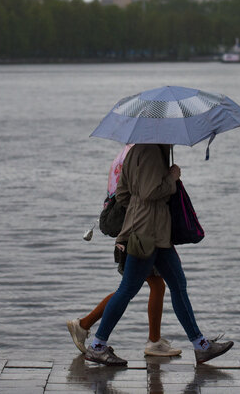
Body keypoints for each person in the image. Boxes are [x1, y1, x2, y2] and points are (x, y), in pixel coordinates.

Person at [84, 143, 233, 366]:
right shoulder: (152, 151)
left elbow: (123, 194)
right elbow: (150, 191)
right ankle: (97, 346)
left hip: (155, 231)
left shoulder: (134, 151)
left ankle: (201, 345)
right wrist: (171, 177)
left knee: (178, 284)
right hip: (147, 233)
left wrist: (139, 207)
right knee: (127, 290)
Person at [67, 144, 181, 358]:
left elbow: (123, 194)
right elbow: (144, 193)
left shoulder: (129, 154)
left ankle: (151, 339)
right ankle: (87, 326)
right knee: (133, 287)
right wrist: (170, 179)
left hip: (137, 227)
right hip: (141, 230)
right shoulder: (146, 154)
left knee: (145, 285)